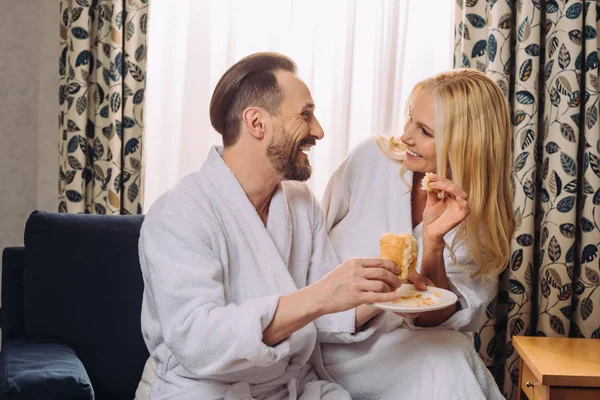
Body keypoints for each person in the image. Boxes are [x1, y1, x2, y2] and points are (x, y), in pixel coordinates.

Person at [138, 52, 425, 400]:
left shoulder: (299, 203)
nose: (318, 130)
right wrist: (322, 294)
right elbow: (199, 341)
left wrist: (387, 291)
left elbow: (324, 316)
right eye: (305, 115)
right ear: (257, 123)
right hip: (205, 392)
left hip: (291, 388)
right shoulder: (179, 212)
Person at [318, 69, 515, 399]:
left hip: (408, 347)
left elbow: (437, 319)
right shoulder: (369, 160)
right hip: (331, 339)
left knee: (450, 353)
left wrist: (434, 243)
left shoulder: (478, 219)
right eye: (410, 120)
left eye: (424, 131)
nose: (405, 136)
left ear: (465, 145)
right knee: (450, 355)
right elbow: (313, 239)